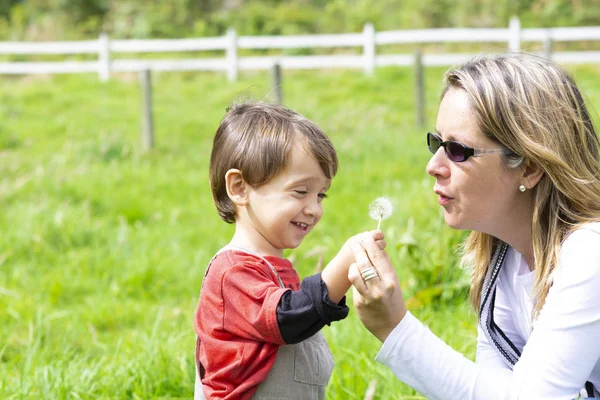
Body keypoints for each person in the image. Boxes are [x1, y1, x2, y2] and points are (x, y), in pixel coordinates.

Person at [348, 52, 600, 400]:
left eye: (456, 150)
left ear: (528, 168)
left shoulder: (590, 253)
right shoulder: (502, 259)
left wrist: (395, 328)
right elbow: (494, 390)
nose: (433, 165)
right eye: (436, 143)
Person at [194, 101, 385, 400]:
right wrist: (342, 266)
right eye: (300, 191)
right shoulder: (230, 272)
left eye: (321, 194)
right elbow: (289, 318)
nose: (314, 209)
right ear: (240, 188)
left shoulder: (276, 270)